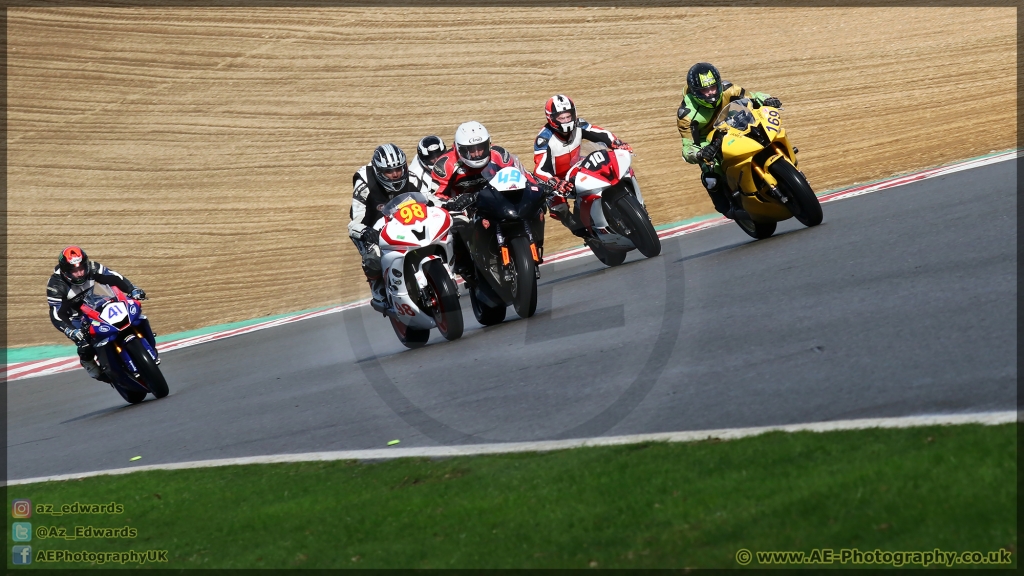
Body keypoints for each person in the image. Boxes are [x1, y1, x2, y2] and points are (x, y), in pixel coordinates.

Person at [431, 120, 542, 273]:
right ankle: (465, 265)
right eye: (471, 150)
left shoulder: (499, 155)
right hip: (465, 208)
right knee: (456, 226)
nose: (477, 154)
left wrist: (537, 185)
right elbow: (434, 198)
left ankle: (535, 243)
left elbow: (520, 174)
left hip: (496, 200)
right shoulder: (445, 165)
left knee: (538, 205)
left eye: (481, 148)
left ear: (488, 144)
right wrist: (452, 202)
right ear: (459, 149)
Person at [677, 62, 782, 219]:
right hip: (710, 143)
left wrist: (767, 100)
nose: (711, 93)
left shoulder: (729, 89)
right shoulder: (686, 114)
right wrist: (700, 154)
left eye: (713, 87)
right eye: (705, 90)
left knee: (764, 131)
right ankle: (726, 207)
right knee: (711, 176)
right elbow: (687, 147)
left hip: (736, 125)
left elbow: (753, 97)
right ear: (694, 91)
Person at [349, 143, 437, 311]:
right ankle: (376, 286)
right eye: (389, 171)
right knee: (372, 255)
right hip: (372, 226)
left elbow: (430, 200)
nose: (396, 174)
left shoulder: (411, 176)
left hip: (402, 221)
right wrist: (366, 232)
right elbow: (354, 222)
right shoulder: (364, 181)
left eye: (399, 169)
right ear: (378, 171)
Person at [532, 94, 633, 236]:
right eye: (562, 118)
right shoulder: (544, 139)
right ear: (551, 118)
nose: (566, 120)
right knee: (559, 208)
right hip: (558, 179)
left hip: (578, 167)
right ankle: (586, 234)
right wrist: (555, 183)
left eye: (568, 116)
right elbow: (540, 169)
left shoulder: (579, 124)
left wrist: (617, 143)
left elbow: (600, 133)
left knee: (609, 167)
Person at [46, 246, 148, 383]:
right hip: (76, 317)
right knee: (84, 343)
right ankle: (89, 364)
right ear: (65, 271)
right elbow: (56, 314)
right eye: (74, 271)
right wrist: (70, 330)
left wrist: (132, 289)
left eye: (81, 268)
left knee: (135, 315)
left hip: (98, 305)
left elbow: (115, 278)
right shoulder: (55, 285)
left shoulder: (92, 267)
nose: (80, 273)